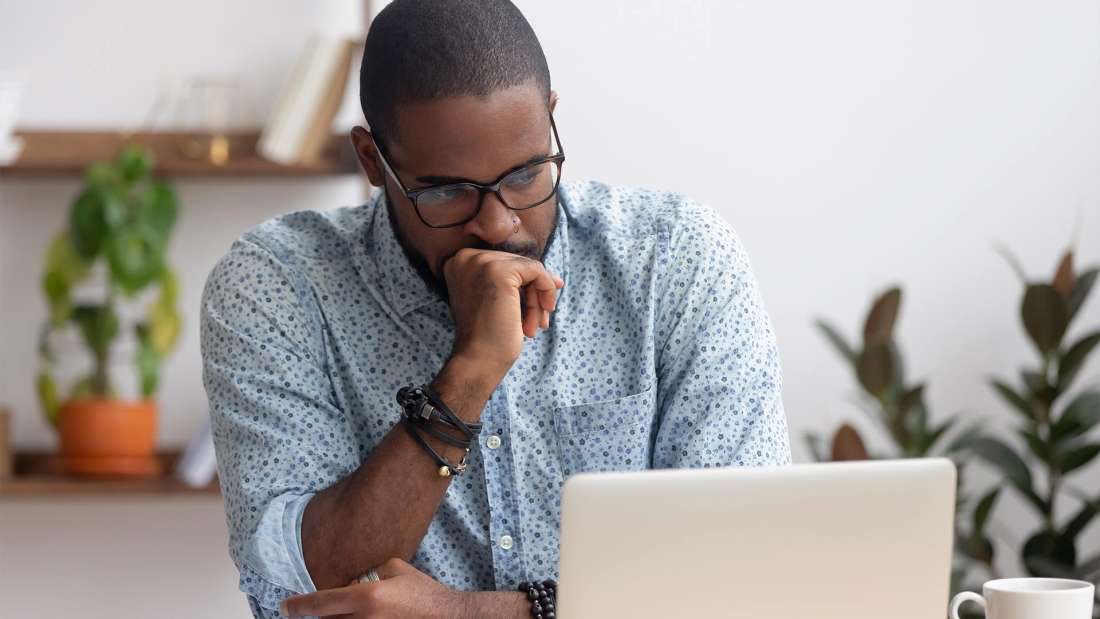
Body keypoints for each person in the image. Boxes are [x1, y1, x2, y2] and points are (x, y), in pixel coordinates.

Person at [199, 0, 791, 617]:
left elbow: (741, 575)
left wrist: (470, 614)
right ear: (373, 162)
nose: (499, 223)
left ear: (551, 120)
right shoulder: (279, 285)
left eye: (528, 174)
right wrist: (470, 372)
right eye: (448, 191)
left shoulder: (675, 262)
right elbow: (303, 595)